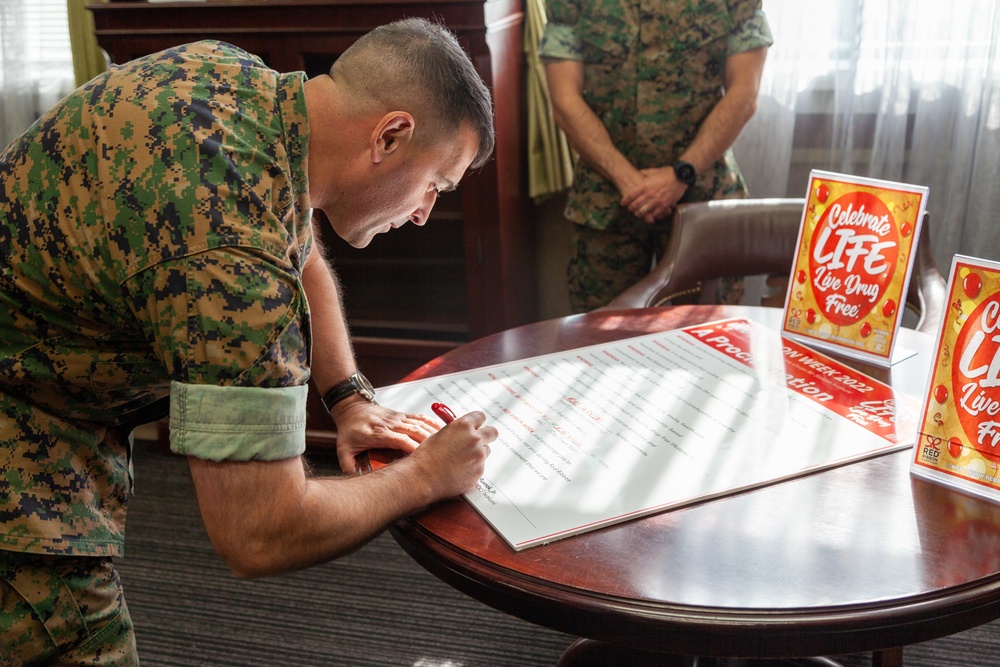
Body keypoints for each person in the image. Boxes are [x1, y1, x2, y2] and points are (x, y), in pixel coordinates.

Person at [0, 18, 498, 666]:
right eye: (437, 181)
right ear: (391, 135)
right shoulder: (233, 263)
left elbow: (303, 248)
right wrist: (426, 475)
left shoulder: (237, 83)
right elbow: (259, 531)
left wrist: (347, 397)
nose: (427, 209)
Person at [540, 0, 774, 312]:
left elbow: (745, 92)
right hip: (607, 200)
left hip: (702, 198)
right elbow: (565, 100)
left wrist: (682, 174)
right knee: (601, 338)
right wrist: (627, 180)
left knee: (705, 337)